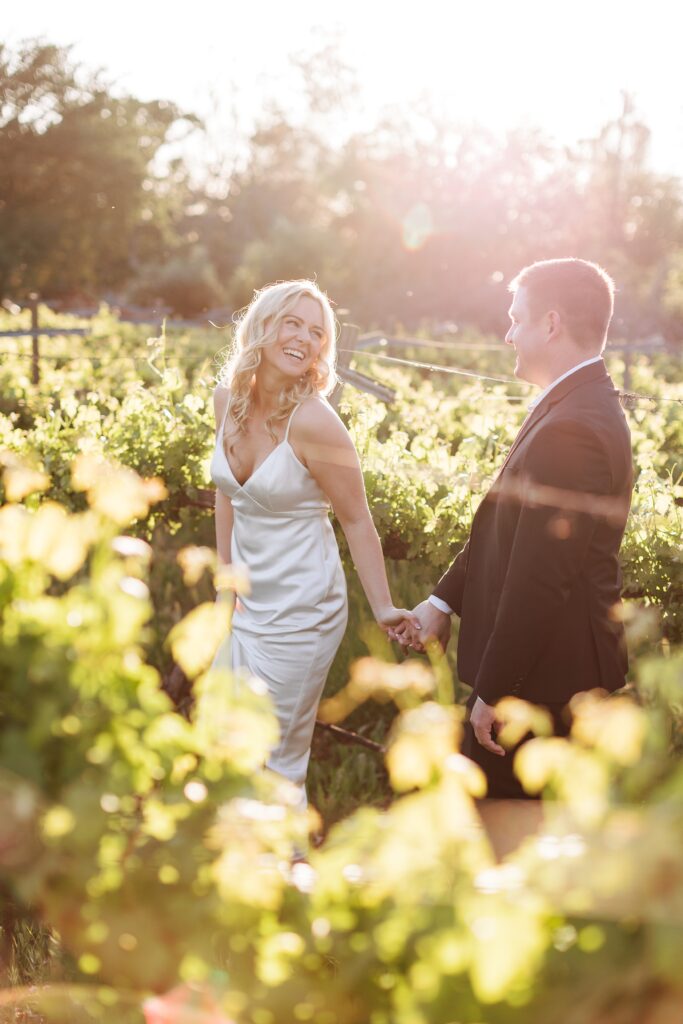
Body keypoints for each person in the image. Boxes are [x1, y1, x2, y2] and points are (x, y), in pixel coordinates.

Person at [394, 258, 634, 799]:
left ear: (550, 324)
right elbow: (502, 525)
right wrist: (442, 603)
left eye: (515, 319)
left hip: (547, 685)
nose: (507, 334)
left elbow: (540, 579)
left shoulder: (573, 427)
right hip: (539, 675)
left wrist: (498, 690)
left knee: (507, 844)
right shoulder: (572, 404)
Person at [210, 279, 416, 807]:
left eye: (317, 331)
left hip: (303, 612)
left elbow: (356, 519)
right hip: (245, 603)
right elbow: (226, 499)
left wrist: (385, 606)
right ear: (263, 325)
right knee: (224, 741)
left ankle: (287, 875)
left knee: (273, 759)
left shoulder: (317, 423)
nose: (305, 337)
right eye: (293, 322)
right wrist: (223, 591)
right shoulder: (226, 400)